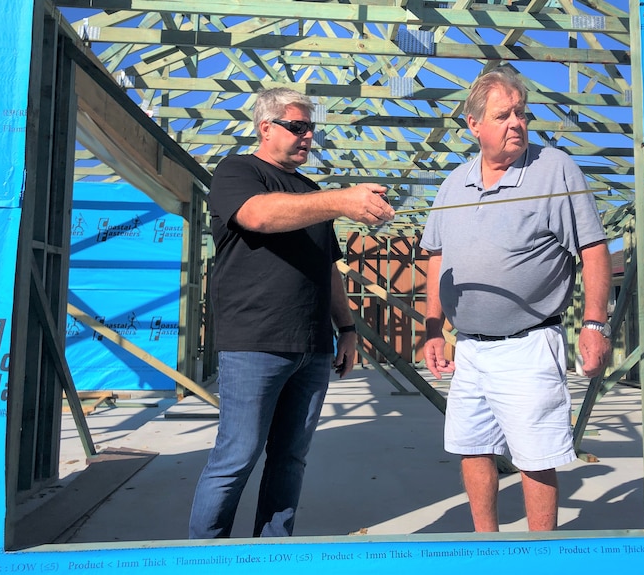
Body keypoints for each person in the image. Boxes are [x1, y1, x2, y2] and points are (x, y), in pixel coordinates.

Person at [189, 88, 395, 539]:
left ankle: (274, 553)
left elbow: (328, 268)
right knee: (237, 456)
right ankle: (203, 557)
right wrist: (340, 200)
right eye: (297, 127)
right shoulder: (237, 171)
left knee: (291, 458)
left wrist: (347, 328)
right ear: (266, 128)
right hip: (255, 344)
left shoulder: (311, 191)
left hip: (312, 348)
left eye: (311, 129)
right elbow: (258, 216)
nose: (308, 137)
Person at [420, 67, 612, 532]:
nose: (517, 123)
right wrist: (431, 328)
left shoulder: (554, 169)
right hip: (469, 346)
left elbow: (593, 249)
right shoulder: (452, 184)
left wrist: (594, 324)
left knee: (535, 455)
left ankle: (539, 554)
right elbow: (435, 256)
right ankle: (486, 545)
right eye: (503, 115)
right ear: (474, 125)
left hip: (528, 345)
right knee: (472, 447)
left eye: (521, 113)